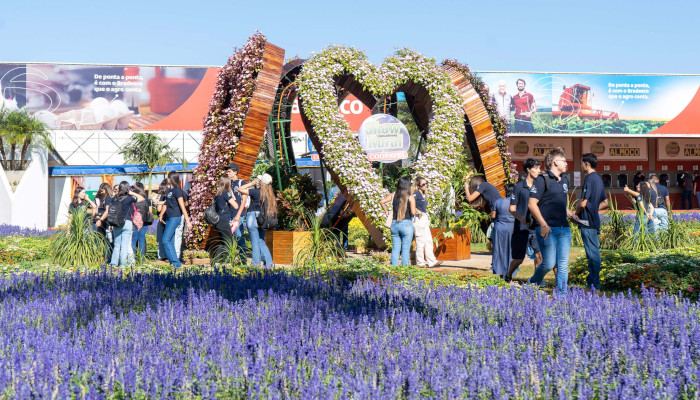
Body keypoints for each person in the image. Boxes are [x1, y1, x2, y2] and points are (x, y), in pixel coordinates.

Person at [526, 147, 577, 296]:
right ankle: (533, 281)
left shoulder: (565, 180)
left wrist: (572, 216)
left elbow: (561, 203)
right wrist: (543, 224)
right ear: (555, 162)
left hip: (564, 229)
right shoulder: (542, 180)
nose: (567, 163)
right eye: (564, 161)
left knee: (562, 264)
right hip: (547, 229)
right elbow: (531, 204)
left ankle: (562, 295)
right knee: (548, 263)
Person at [575, 153, 608, 294]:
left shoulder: (589, 179)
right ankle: (590, 285)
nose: (580, 165)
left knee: (593, 255)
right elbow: (606, 203)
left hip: (587, 222)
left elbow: (582, 203)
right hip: (594, 221)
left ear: (587, 164)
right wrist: (594, 208)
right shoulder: (599, 180)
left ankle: (595, 286)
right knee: (592, 254)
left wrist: (575, 215)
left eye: (581, 163)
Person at [506, 158, 543, 282]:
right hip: (521, 228)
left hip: (536, 227)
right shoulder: (518, 187)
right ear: (528, 169)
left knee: (539, 255)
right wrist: (521, 219)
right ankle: (508, 275)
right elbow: (511, 209)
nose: (539, 171)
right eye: (536, 168)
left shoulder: (540, 186)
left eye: (539, 168)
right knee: (519, 259)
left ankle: (536, 281)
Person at [380, 176, 421, 266]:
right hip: (406, 224)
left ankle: (393, 269)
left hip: (394, 224)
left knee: (395, 248)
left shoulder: (393, 194)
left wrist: (386, 211)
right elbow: (413, 212)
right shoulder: (410, 197)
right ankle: (404, 270)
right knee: (405, 249)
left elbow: (382, 201)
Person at [238, 174, 276, 267]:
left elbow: (240, 189)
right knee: (261, 241)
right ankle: (269, 264)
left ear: (261, 182)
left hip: (253, 217)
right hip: (265, 219)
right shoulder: (270, 194)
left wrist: (252, 183)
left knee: (255, 242)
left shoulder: (255, 192)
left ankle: (256, 264)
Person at [159, 173, 192, 269]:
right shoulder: (169, 190)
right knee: (170, 241)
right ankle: (174, 263)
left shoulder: (177, 191)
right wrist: (161, 214)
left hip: (175, 218)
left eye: (168, 177)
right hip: (169, 218)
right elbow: (166, 203)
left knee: (165, 240)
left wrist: (188, 221)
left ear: (170, 179)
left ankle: (176, 263)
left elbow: (182, 206)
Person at [111, 181, 145, 268]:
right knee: (125, 245)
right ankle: (123, 264)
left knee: (117, 245)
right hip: (127, 223)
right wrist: (131, 192)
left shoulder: (115, 198)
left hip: (116, 223)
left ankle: (114, 264)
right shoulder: (129, 198)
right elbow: (142, 198)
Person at [411, 177, 442, 268]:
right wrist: (418, 211)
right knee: (420, 241)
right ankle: (420, 262)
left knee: (428, 240)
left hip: (424, 218)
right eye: (423, 184)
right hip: (418, 219)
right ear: (418, 186)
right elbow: (410, 203)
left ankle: (432, 261)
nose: (425, 186)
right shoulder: (416, 195)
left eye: (426, 183)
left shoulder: (423, 195)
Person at [213, 175, 240, 263]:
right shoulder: (226, 193)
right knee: (229, 243)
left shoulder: (217, 194)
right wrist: (231, 191)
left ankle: (217, 262)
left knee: (222, 243)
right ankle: (226, 262)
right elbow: (236, 205)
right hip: (224, 221)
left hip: (218, 221)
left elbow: (233, 199)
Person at [225, 163, 248, 263]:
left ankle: (243, 260)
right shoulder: (228, 183)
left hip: (238, 215)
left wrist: (238, 215)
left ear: (235, 172)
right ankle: (232, 259)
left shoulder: (241, 182)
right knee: (232, 238)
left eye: (229, 171)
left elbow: (244, 200)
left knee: (239, 237)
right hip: (229, 215)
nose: (227, 173)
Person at [491, 184, 515, 278]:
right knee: (511, 251)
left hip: (499, 227)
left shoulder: (498, 201)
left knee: (499, 250)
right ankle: (510, 276)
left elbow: (493, 216)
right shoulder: (515, 202)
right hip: (511, 228)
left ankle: (501, 275)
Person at [93, 183, 114, 262]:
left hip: (107, 222)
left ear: (106, 190)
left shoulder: (109, 198)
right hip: (103, 221)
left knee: (108, 240)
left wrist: (100, 220)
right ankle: (104, 258)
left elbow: (107, 211)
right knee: (103, 241)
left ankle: (107, 258)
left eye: (102, 191)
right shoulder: (99, 199)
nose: (101, 192)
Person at [131, 184, 153, 256]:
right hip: (145, 221)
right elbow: (150, 212)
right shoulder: (147, 200)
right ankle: (142, 258)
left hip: (134, 221)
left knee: (134, 240)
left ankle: (133, 257)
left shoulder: (134, 199)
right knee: (141, 239)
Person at [171, 172, 189, 260]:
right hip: (178, 215)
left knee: (177, 235)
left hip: (178, 215)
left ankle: (176, 255)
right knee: (177, 235)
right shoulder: (181, 191)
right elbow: (186, 203)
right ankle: (176, 254)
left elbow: (184, 204)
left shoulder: (177, 191)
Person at [154, 179, 169, 261]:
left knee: (161, 238)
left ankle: (162, 255)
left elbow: (159, 209)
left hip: (162, 218)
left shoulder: (163, 196)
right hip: (170, 217)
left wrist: (157, 203)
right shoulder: (171, 195)